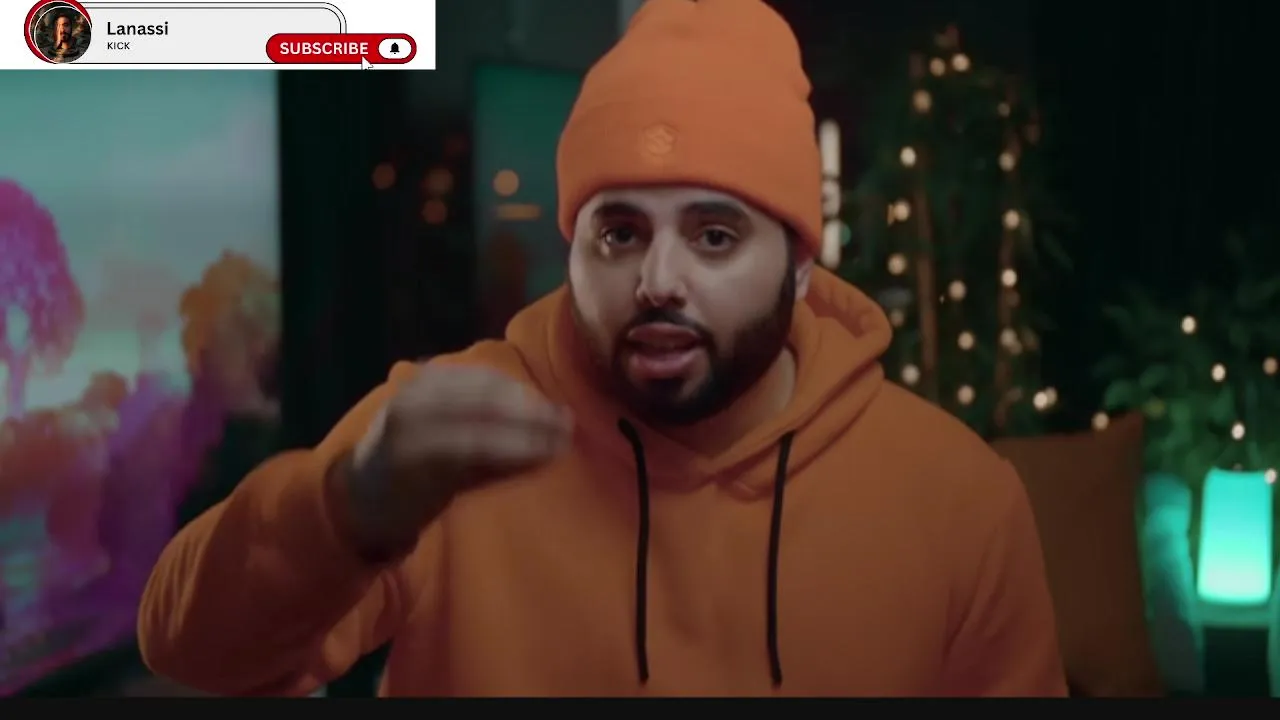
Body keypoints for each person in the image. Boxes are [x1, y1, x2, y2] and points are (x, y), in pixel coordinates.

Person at [137, 0, 1067, 697]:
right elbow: (190, 651)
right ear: (573, 250)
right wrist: (346, 511)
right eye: (619, 233)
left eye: (714, 236)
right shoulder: (450, 434)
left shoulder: (958, 498)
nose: (658, 279)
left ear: (797, 266)